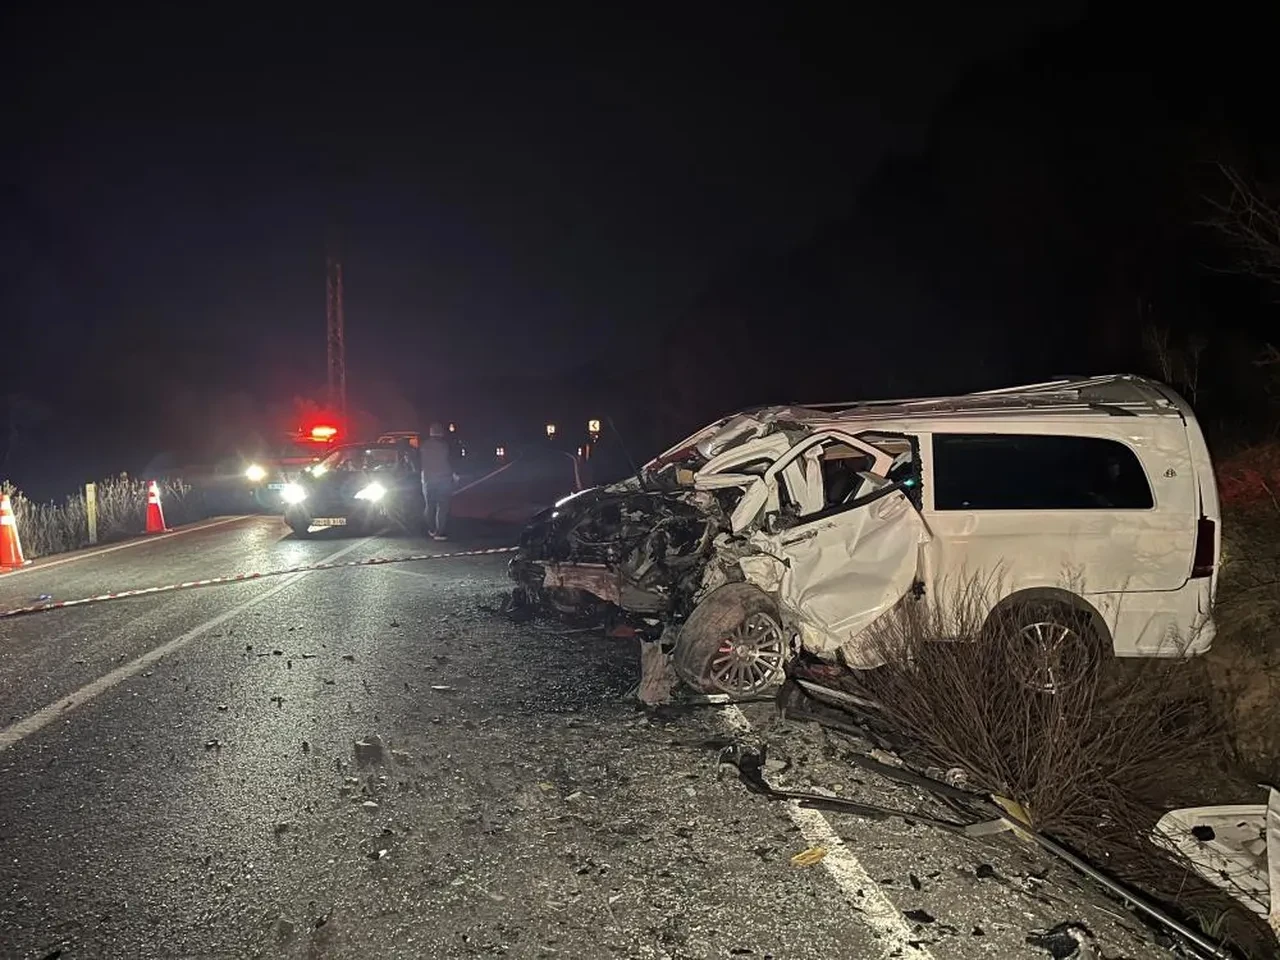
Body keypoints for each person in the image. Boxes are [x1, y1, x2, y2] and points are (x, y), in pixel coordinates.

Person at [420, 422, 456, 540]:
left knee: (429, 505)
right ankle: (440, 532)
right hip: (444, 479)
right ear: (441, 433)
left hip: (428, 479)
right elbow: (451, 461)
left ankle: (431, 529)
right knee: (442, 506)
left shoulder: (424, 446)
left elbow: (418, 463)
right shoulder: (445, 446)